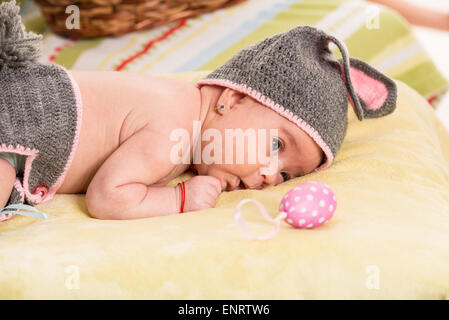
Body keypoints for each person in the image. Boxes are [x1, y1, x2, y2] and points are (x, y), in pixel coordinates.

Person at [0, 0, 396, 220]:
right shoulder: (175, 130)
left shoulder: (185, 117)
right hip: (18, 124)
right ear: (232, 99)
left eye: (288, 174)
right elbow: (108, 197)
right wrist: (179, 200)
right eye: (276, 145)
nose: (271, 176)